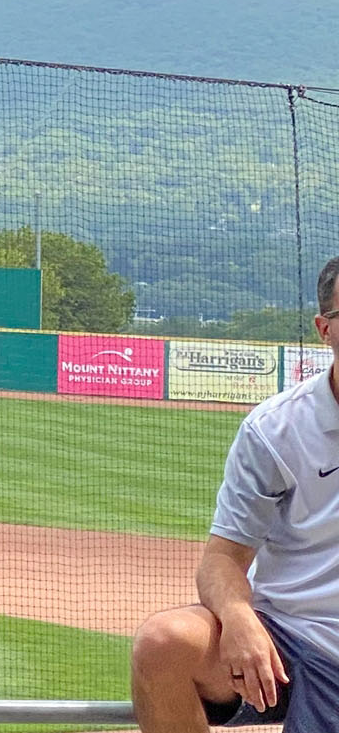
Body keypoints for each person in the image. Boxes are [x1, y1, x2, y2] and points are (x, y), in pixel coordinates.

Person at [133, 256, 339, 733]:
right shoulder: (276, 430)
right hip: (294, 640)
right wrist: (238, 615)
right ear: (323, 328)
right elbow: (222, 557)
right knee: (165, 643)